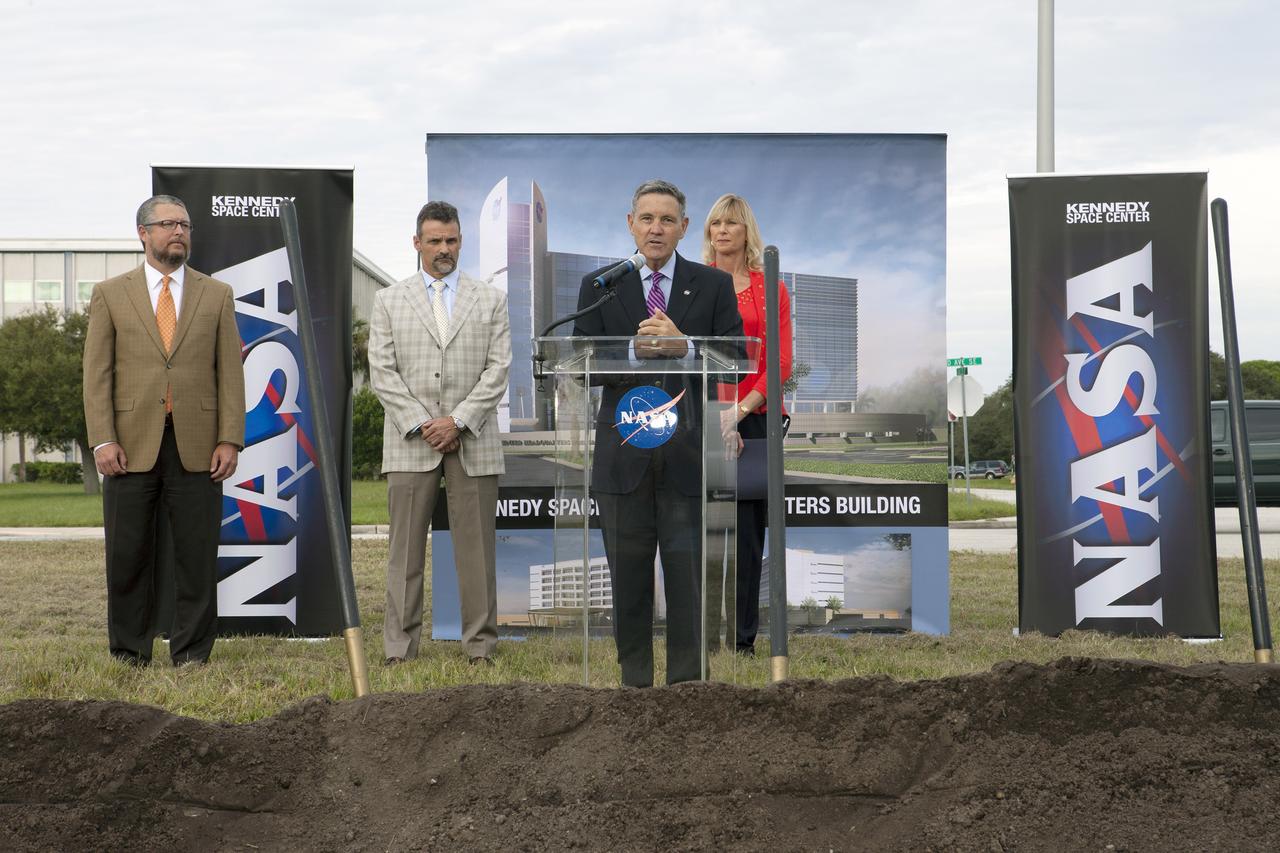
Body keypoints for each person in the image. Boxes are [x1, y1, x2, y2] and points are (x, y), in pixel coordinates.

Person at [573, 179, 744, 687]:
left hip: (687, 457)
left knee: (687, 579)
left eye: (667, 220)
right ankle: (635, 687)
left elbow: (735, 360)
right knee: (628, 582)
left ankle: (687, 690)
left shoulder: (711, 285)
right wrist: (633, 353)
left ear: (684, 229)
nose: (656, 228)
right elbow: (581, 362)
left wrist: (685, 347)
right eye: (646, 218)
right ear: (631, 224)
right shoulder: (601, 285)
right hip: (621, 459)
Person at [83, 194, 245, 667]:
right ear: (143, 234)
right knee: (128, 553)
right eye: (169, 224)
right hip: (128, 445)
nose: (179, 232)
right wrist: (102, 438)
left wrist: (230, 437)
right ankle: (129, 651)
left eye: (186, 225)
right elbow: (98, 374)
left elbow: (230, 374)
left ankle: (192, 652)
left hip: (199, 445)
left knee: (196, 555)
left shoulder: (217, 294)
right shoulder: (111, 294)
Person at [369, 201, 511, 666]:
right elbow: (382, 373)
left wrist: (459, 421)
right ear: (417, 243)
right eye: (434, 241)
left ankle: (481, 648)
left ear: (460, 241)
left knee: (477, 553)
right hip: (412, 442)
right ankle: (399, 649)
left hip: (473, 439)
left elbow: (498, 369)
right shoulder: (389, 300)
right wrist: (424, 423)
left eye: (451, 240)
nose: (443, 249)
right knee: (404, 554)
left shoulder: (490, 299)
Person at [703, 193, 793, 656]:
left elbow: (778, 361)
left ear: (746, 232)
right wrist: (718, 414)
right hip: (703, 418)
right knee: (701, 532)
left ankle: (742, 640)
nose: (721, 231)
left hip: (754, 421)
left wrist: (737, 412)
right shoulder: (694, 285)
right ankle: (702, 635)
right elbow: (698, 357)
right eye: (715, 222)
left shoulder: (770, 287)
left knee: (747, 534)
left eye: (731, 223)